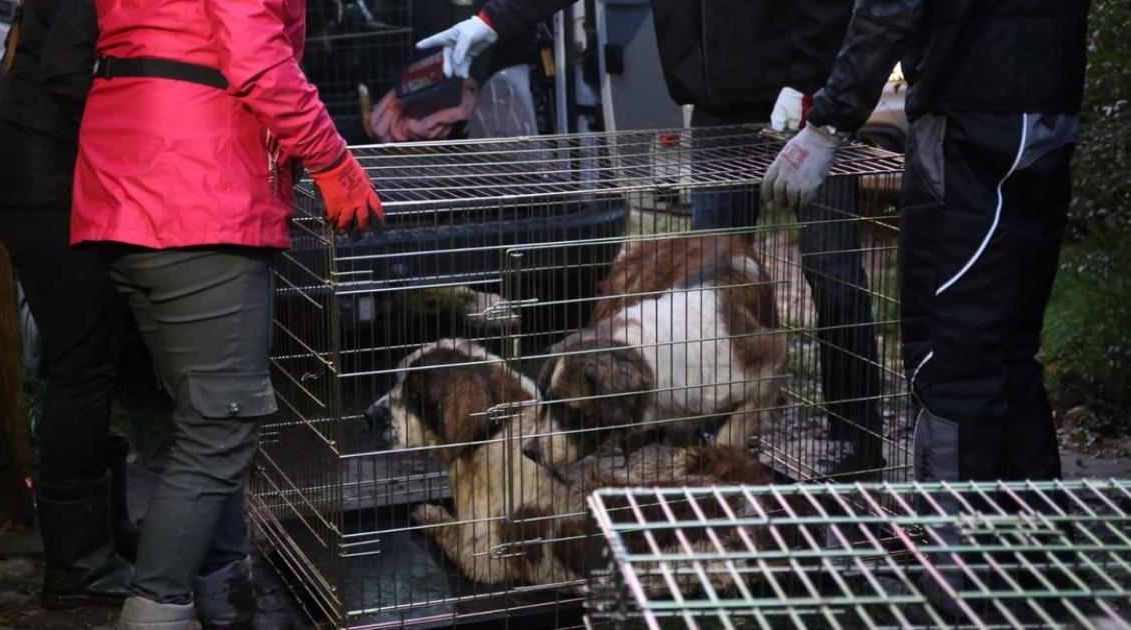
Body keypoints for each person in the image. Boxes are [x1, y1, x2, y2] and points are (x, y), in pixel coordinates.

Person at [419, 1, 885, 477]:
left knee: (834, 272)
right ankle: (721, 449)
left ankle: (856, 443)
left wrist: (808, 84)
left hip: (812, 109)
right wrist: (493, 20)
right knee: (705, 290)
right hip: (717, 109)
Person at [53, 0, 385, 626]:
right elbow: (258, 57)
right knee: (220, 429)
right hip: (197, 195)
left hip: (128, 188)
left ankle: (228, 597)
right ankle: (157, 608)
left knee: (206, 417)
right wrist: (332, 159)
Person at [761, 0, 1091, 615]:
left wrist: (828, 122)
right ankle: (1040, 578)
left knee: (949, 360)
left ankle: (956, 590)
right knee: (1009, 353)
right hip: (1046, 110)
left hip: (971, 119)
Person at [0, 0, 136, 609]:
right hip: (37, 178)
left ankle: (105, 535)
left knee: (95, 351)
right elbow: (68, 71)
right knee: (83, 360)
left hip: (34, 169)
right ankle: (77, 566)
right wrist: (137, 147)